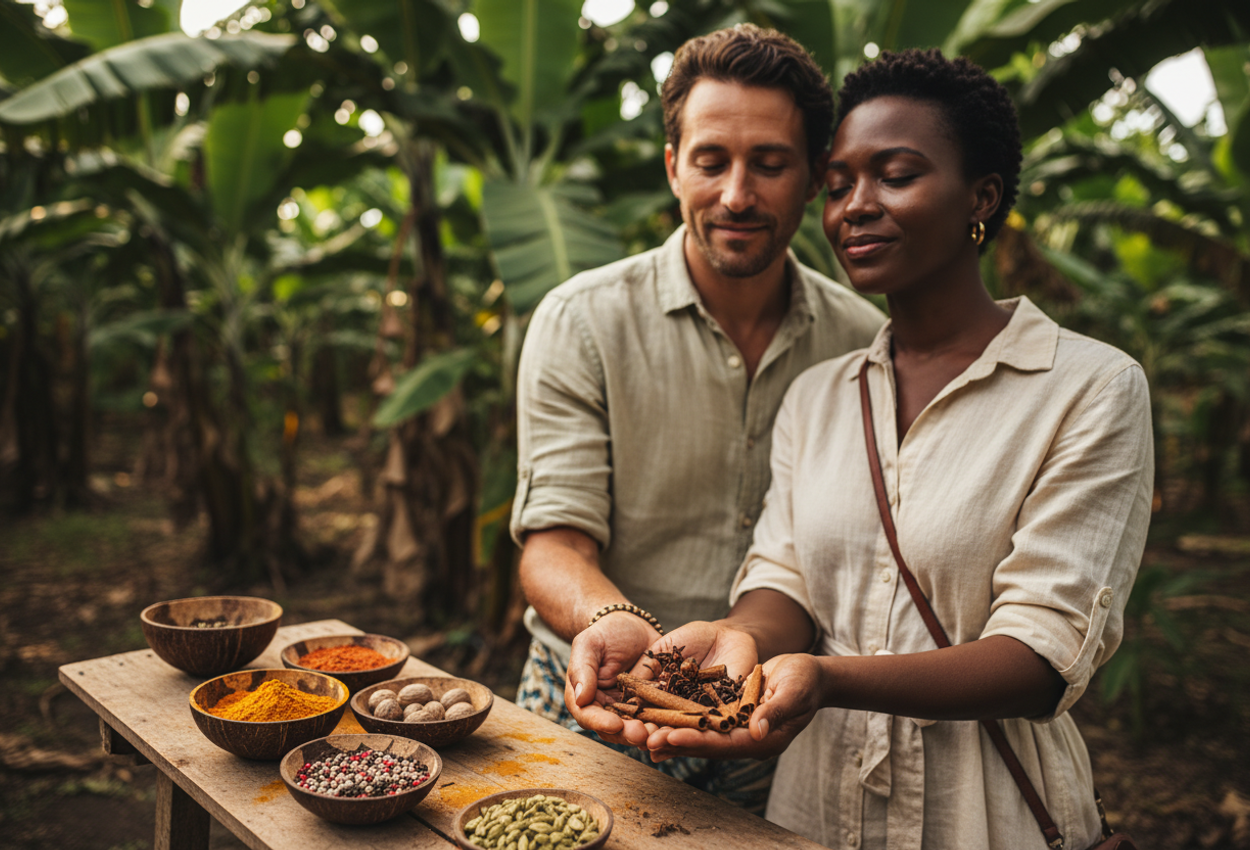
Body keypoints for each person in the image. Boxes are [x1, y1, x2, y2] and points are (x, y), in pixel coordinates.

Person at [634, 48, 1154, 849]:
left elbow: (1041, 655)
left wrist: (828, 676)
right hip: (812, 800)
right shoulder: (821, 394)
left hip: (982, 809)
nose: (854, 207)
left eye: (896, 176)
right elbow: (786, 581)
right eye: (838, 184)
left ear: (981, 196)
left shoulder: (1088, 389)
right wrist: (740, 638)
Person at [508, 24, 885, 811]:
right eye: (712, 160)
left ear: (814, 177)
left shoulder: (862, 343)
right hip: (595, 695)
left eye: (770, 164)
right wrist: (615, 620)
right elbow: (554, 544)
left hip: (771, 717)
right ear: (674, 165)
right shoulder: (582, 321)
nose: (738, 195)